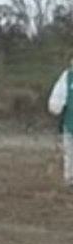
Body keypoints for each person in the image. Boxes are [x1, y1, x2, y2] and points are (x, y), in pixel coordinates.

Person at [47, 57, 73, 188]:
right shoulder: (67, 77)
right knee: (69, 151)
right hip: (70, 121)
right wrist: (55, 107)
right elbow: (58, 97)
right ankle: (70, 178)